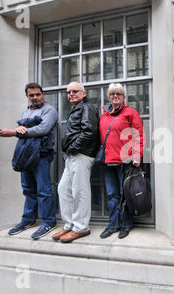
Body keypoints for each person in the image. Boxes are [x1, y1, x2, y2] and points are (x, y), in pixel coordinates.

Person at [0, 83, 58, 239]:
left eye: (38, 94)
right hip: (26, 154)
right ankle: (28, 220)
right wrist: (19, 129)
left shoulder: (49, 110)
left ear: (42, 94)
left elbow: (42, 129)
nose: (35, 97)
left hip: (42, 154)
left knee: (43, 189)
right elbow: (21, 128)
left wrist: (15, 132)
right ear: (27, 96)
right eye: (32, 95)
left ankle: (49, 221)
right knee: (28, 189)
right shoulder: (25, 112)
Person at [51, 82, 99, 243]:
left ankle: (81, 227)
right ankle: (69, 224)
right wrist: (70, 151)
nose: (71, 94)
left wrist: (72, 148)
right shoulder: (76, 109)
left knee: (80, 191)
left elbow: (89, 132)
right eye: (69, 92)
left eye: (75, 91)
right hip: (72, 155)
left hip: (81, 154)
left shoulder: (87, 108)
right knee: (63, 189)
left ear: (83, 93)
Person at [99, 83, 145, 240]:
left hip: (125, 161)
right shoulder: (104, 115)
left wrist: (137, 156)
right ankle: (113, 225)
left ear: (124, 97)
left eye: (118, 94)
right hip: (108, 161)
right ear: (109, 97)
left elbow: (138, 135)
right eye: (112, 94)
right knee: (112, 195)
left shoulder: (130, 113)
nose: (115, 96)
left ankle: (126, 224)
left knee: (126, 195)